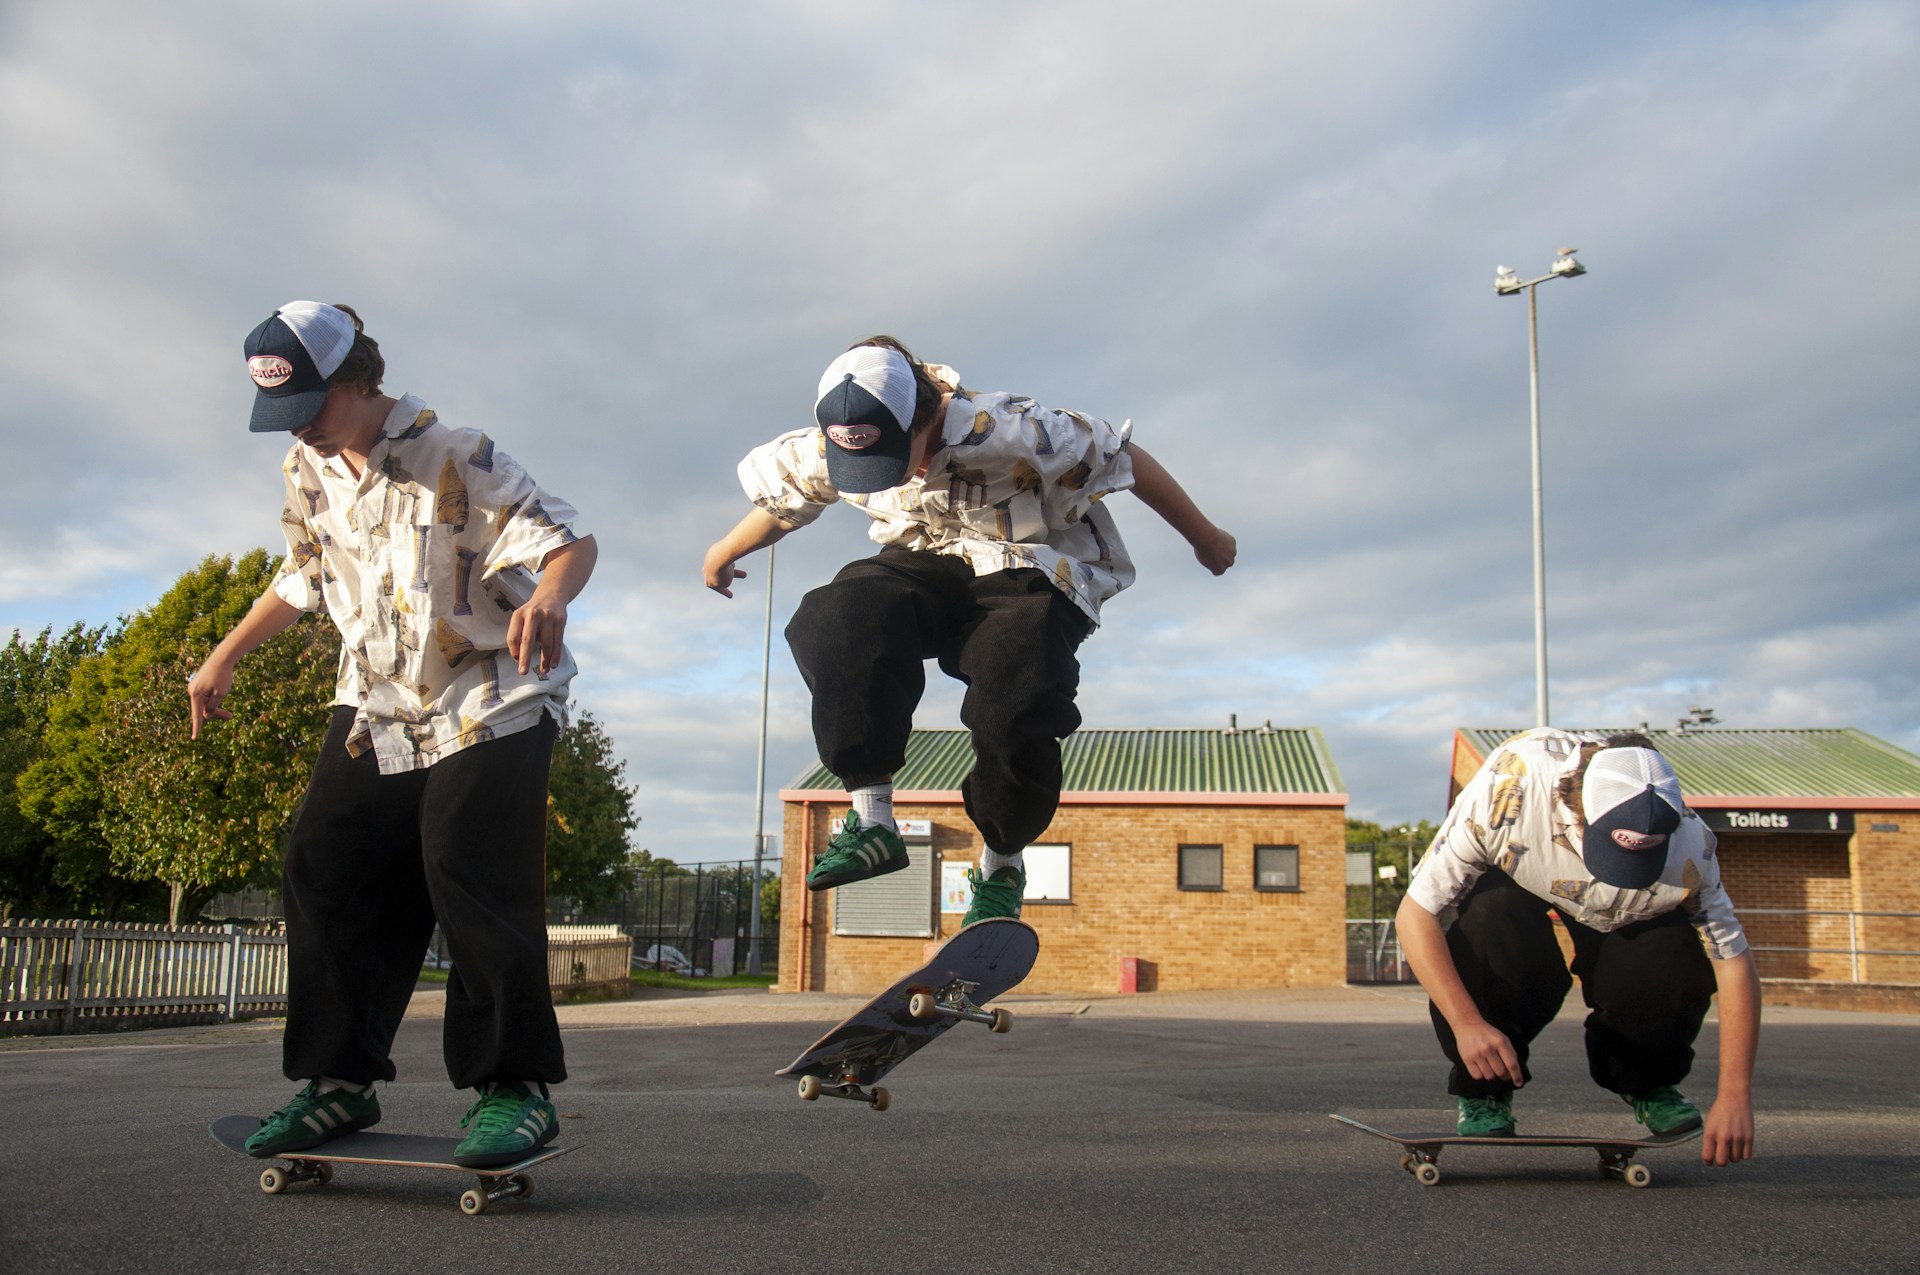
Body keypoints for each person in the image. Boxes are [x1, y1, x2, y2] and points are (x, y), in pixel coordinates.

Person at [189, 301, 597, 1167]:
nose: (299, 426)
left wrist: (551, 595)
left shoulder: (455, 452)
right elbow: (302, 575)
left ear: (359, 379)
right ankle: (338, 1080)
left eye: (312, 404)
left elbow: (569, 540)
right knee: (323, 862)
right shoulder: (306, 468)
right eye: (284, 411)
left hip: (490, 692)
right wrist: (224, 654)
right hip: (378, 702)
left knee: (464, 860)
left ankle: (514, 1087)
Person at [703, 336, 1236, 925]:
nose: (889, 476)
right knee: (837, 613)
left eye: (894, 459)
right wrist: (724, 551)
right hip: (923, 560)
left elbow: (1127, 461)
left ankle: (1002, 864)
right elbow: (785, 503)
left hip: (1026, 566)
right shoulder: (832, 445)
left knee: (1018, 681)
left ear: (924, 417)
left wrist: (1205, 538)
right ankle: (872, 818)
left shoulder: (1020, 431)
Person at [1395, 727, 1759, 1166]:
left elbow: (1733, 963)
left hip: (1621, 909)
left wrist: (1735, 1094)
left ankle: (1648, 1080)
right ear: (1576, 807)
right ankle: (1484, 1091)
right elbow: (1415, 915)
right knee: (1487, 918)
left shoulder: (1693, 847)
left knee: (1673, 950)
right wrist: (1466, 1023)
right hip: (1520, 872)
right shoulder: (1508, 789)